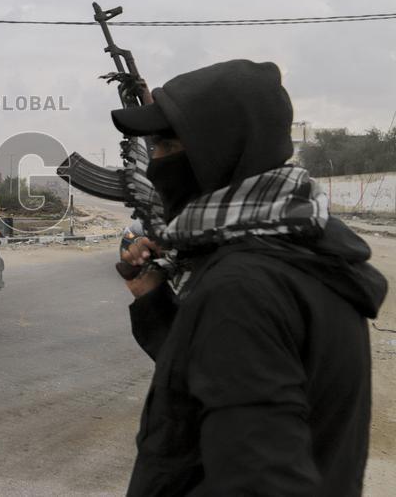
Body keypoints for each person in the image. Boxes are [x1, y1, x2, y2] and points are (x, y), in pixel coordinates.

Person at [111, 59, 386, 496]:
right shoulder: (304, 250)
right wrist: (154, 299)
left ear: (213, 157)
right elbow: (215, 385)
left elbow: (259, 480)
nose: (153, 167)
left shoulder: (243, 287)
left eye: (164, 147)